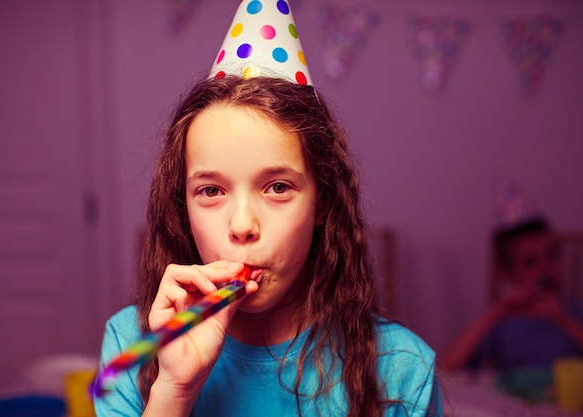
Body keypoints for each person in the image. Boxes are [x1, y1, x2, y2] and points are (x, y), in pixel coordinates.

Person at [95, 2, 442, 416]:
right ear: (182, 208)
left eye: (277, 187)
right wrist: (174, 387)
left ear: (323, 203)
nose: (242, 226)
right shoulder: (134, 344)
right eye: (210, 191)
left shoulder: (402, 370)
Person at [440, 183, 583, 372]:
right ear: (508, 274)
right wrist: (496, 313)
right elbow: (444, 367)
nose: (546, 268)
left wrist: (563, 319)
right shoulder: (504, 321)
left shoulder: (575, 313)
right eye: (530, 262)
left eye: (553, 254)